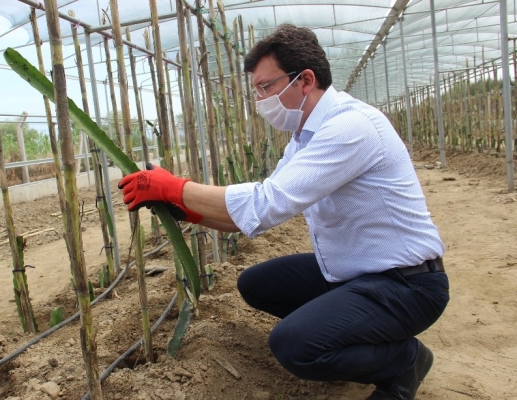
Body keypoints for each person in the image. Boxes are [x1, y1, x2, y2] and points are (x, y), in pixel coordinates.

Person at [118, 24, 449, 400]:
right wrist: (187, 211)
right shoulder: (304, 138)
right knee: (257, 284)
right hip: (354, 273)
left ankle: (404, 361)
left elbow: (266, 202)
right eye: (256, 90)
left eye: (265, 86)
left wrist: (175, 187)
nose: (260, 99)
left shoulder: (350, 127)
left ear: (305, 80)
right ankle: (352, 338)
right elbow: (251, 219)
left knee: (293, 345)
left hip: (407, 285)